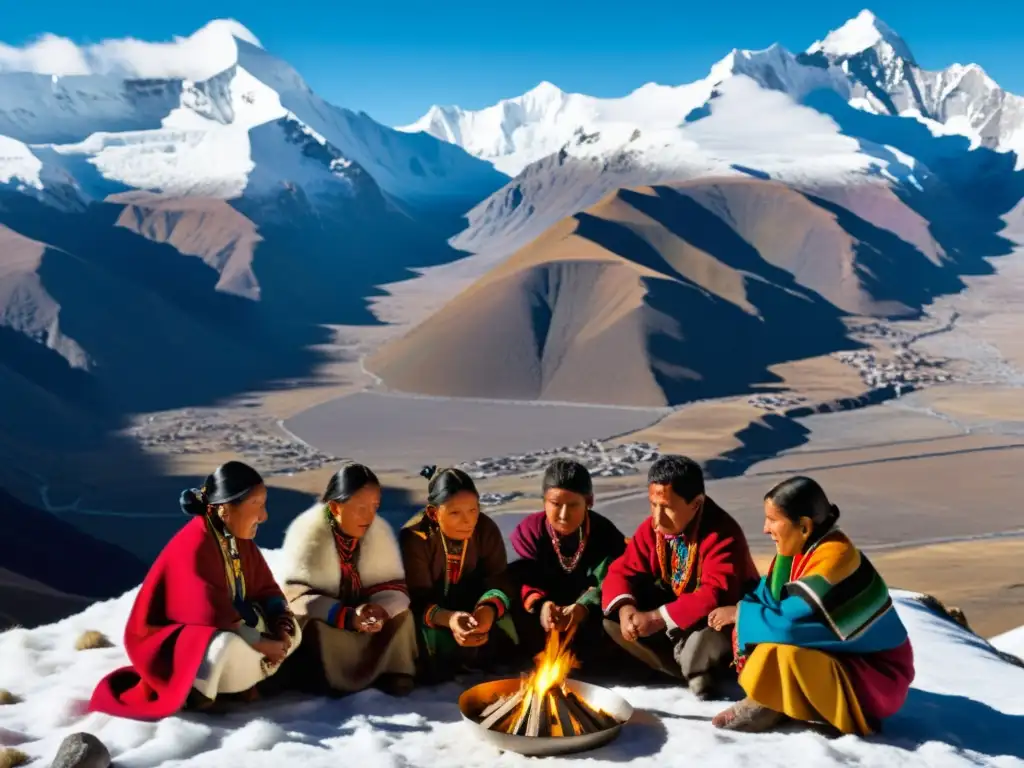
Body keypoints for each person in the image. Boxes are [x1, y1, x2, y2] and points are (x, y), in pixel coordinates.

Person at [88, 462, 300, 720]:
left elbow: (265, 588)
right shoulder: (195, 544)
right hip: (175, 645)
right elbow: (208, 614)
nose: (264, 516)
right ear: (224, 509)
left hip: (240, 630)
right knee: (222, 645)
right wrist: (262, 643)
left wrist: (282, 627)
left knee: (294, 629)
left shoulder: (236, 540)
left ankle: (240, 683)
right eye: (256, 505)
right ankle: (200, 693)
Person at [708, 476, 914, 734]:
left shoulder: (836, 560)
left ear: (804, 526)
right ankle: (779, 702)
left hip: (877, 678)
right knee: (763, 635)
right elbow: (766, 597)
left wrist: (739, 613)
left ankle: (770, 703)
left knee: (782, 651)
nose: (765, 528)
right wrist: (743, 608)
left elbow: (790, 627)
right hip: (845, 661)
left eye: (772, 520)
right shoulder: (800, 553)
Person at [601, 454, 759, 698]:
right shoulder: (653, 529)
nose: (657, 518)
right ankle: (688, 668)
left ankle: (697, 668)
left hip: (717, 618)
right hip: (675, 615)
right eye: (653, 505)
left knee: (703, 642)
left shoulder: (723, 534)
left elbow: (715, 593)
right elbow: (622, 569)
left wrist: (655, 618)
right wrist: (626, 609)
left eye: (667, 508)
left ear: (696, 504)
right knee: (613, 621)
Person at [276, 462, 418, 697]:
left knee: (403, 616)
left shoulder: (378, 533)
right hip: (330, 619)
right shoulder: (308, 533)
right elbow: (297, 596)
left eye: (375, 506)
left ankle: (393, 672)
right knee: (315, 626)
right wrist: (347, 616)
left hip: (367, 621)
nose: (370, 516)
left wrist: (379, 609)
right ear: (335, 507)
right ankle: (331, 679)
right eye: (361, 507)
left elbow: (392, 586)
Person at [399, 465, 518, 682]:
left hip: (475, 613)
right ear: (434, 513)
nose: (468, 521)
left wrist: (487, 611)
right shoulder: (416, 537)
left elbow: (499, 579)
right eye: (455, 512)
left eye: (473, 510)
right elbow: (416, 597)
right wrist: (450, 619)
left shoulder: (485, 529)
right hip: (431, 618)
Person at [508, 459, 627, 664]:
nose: (563, 515)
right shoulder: (528, 533)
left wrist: (583, 607)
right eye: (555, 504)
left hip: (587, 619)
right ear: (544, 501)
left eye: (573, 505)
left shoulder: (605, 534)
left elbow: (611, 579)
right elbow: (521, 577)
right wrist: (543, 605)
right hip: (540, 618)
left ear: (589, 502)